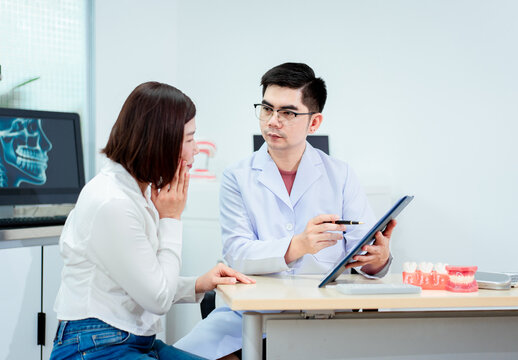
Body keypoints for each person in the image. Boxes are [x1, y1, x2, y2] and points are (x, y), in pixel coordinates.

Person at [175, 63, 396, 359]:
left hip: (323, 315)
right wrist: (297, 246)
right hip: (249, 314)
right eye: (267, 109)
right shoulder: (237, 176)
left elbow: (363, 251)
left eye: (287, 113)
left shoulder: (340, 175)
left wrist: (378, 260)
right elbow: (237, 253)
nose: (273, 121)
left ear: (314, 123)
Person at [50, 81, 255, 360]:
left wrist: (198, 283)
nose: (195, 150)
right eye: (190, 139)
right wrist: (171, 219)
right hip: (94, 347)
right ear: (163, 141)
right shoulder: (114, 202)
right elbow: (157, 299)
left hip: (130, 341)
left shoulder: (137, 191)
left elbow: (146, 282)